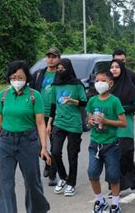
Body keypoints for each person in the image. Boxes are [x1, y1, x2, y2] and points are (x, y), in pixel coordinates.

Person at [0, 60, 51, 213]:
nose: (17, 80)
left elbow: (40, 123)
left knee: (32, 182)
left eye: (20, 77)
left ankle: (38, 210)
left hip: (28, 141)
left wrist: (44, 147)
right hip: (6, 142)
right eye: (13, 77)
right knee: (6, 183)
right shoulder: (3, 96)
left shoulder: (35, 96)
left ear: (27, 78)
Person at [86, 70, 127, 213]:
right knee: (92, 173)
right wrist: (90, 121)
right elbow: (89, 121)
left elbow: (123, 123)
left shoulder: (115, 101)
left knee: (113, 176)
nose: (99, 83)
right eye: (97, 80)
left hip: (111, 145)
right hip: (95, 144)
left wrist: (106, 121)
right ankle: (100, 200)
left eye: (103, 81)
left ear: (110, 83)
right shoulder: (92, 100)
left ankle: (115, 204)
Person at [47, 58, 87, 197]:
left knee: (72, 155)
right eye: (58, 68)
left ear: (68, 68)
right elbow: (53, 105)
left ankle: (71, 184)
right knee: (55, 151)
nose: (60, 70)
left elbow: (84, 102)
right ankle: (63, 177)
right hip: (59, 122)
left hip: (74, 124)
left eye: (62, 68)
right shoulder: (55, 85)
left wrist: (71, 100)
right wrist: (49, 123)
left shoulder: (77, 85)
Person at [110, 59, 135, 191]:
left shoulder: (129, 86)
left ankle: (132, 172)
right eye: (112, 67)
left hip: (125, 127)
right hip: (110, 128)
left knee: (125, 156)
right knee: (112, 159)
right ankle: (115, 188)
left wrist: (122, 109)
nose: (114, 69)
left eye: (117, 67)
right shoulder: (108, 86)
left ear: (122, 69)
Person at [30, 47, 61, 186]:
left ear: (58, 59)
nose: (51, 59)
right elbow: (30, 92)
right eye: (49, 56)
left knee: (55, 147)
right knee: (37, 145)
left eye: (54, 56)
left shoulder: (61, 75)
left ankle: (53, 175)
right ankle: (48, 161)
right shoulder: (38, 74)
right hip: (39, 115)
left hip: (56, 115)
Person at [112, 49, 135, 124]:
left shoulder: (131, 75)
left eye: (122, 60)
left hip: (126, 116)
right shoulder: (107, 76)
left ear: (125, 61)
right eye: (117, 60)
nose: (120, 63)